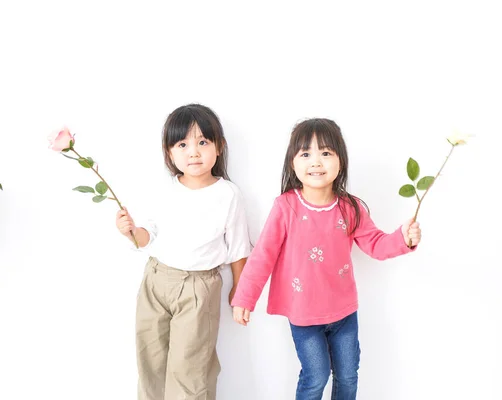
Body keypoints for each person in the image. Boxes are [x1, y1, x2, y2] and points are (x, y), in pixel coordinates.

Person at [231, 118, 421, 399]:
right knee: (315, 377)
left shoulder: (350, 208)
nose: (316, 162)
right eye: (306, 154)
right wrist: (245, 298)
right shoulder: (286, 207)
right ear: (292, 164)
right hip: (304, 315)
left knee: (347, 376)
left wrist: (403, 238)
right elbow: (262, 257)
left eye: (326, 153)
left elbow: (376, 244)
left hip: (344, 313)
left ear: (340, 162)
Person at [116, 104, 251, 400]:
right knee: (150, 360)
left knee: (191, 369)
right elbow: (147, 234)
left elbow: (239, 248)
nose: (193, 152)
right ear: (170, 153)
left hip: (198, 288)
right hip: (155, 279)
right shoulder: (166, 189)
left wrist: (241, 292)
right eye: (183, 144)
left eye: (203, 142)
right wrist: (130, 231)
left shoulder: (227, 194)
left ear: (219, 147)